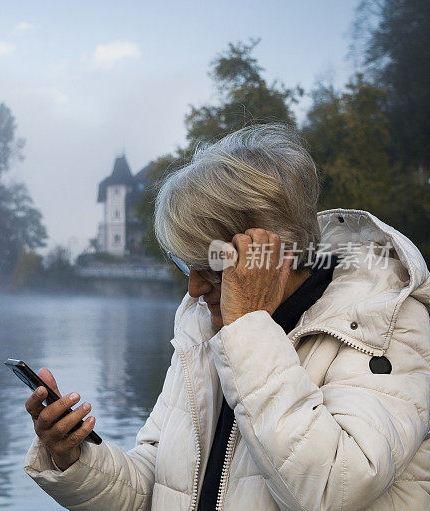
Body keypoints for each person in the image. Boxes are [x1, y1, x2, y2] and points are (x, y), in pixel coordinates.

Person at [22, 124, 430, 510]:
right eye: (186, 266)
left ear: (274, 254)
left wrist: (249, 328)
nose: (194, 289)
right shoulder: (203, 328)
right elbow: (161, 486)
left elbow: (332, 488)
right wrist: (72, 459)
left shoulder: (387, 322)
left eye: (210, 267)